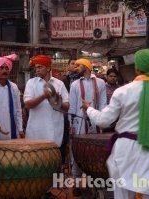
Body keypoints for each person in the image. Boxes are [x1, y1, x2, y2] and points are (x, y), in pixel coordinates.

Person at [82, 48, 149, 199]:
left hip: (125, 148)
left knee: (123, 193)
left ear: (137, 68)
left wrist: (89, 109)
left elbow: (103, 121)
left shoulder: (122, 91)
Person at [68, 58, 107, 196]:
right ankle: (76, 183)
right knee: (77, 153)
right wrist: (71, 125)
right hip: (79, 124)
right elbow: (72, 107)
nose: (76, 68)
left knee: (95, 154)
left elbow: (103, 104)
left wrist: (101, 119)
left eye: (79, 66)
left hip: (96, 123)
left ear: (86, 67)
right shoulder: (74, 85)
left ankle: (94, 185)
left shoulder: (101, 82)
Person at [24, 54, 69, 146]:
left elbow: (66, 107)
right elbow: (28, 105)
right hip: (36, 130)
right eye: (36, 68)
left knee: (54, 158)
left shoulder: (59, 84)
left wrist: (57, 100)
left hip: (55, 129)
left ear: (48, 68)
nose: (37, 70)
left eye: (40, 67)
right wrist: (44, 96)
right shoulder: (31, 83)